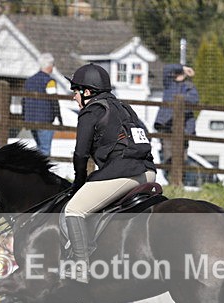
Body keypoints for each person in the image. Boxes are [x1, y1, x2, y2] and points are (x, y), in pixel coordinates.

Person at [63, 63, 156, 283]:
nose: (74, 97)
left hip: (124, 173)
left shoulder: (91, 111)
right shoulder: (124, 108)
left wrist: (78, 183)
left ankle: (80, 266)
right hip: (149, 172)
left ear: (87, 92)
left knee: (74, 210)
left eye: (75, 91)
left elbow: (81, 154)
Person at [154, 64, 198, 172]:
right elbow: (167, 69)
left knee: (182, 158)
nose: (179, 74)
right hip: (167, 125)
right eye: (178, 72)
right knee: (168, 156)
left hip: (184, 128)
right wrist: (183, 68)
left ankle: (179, 179)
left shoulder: (190, 87)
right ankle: (170, 177)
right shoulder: (169, 83)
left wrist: (180, 100)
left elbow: (194, 100)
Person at [23, 53, 62, 156]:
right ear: (50, 66)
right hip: (45, 120)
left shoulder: (29, 81)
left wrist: (24, 117)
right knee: (45, 150)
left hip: (31, 119)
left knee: (39, 148)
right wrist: (59, 117)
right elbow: (54, 100)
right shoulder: (50, 82)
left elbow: (24, 100)